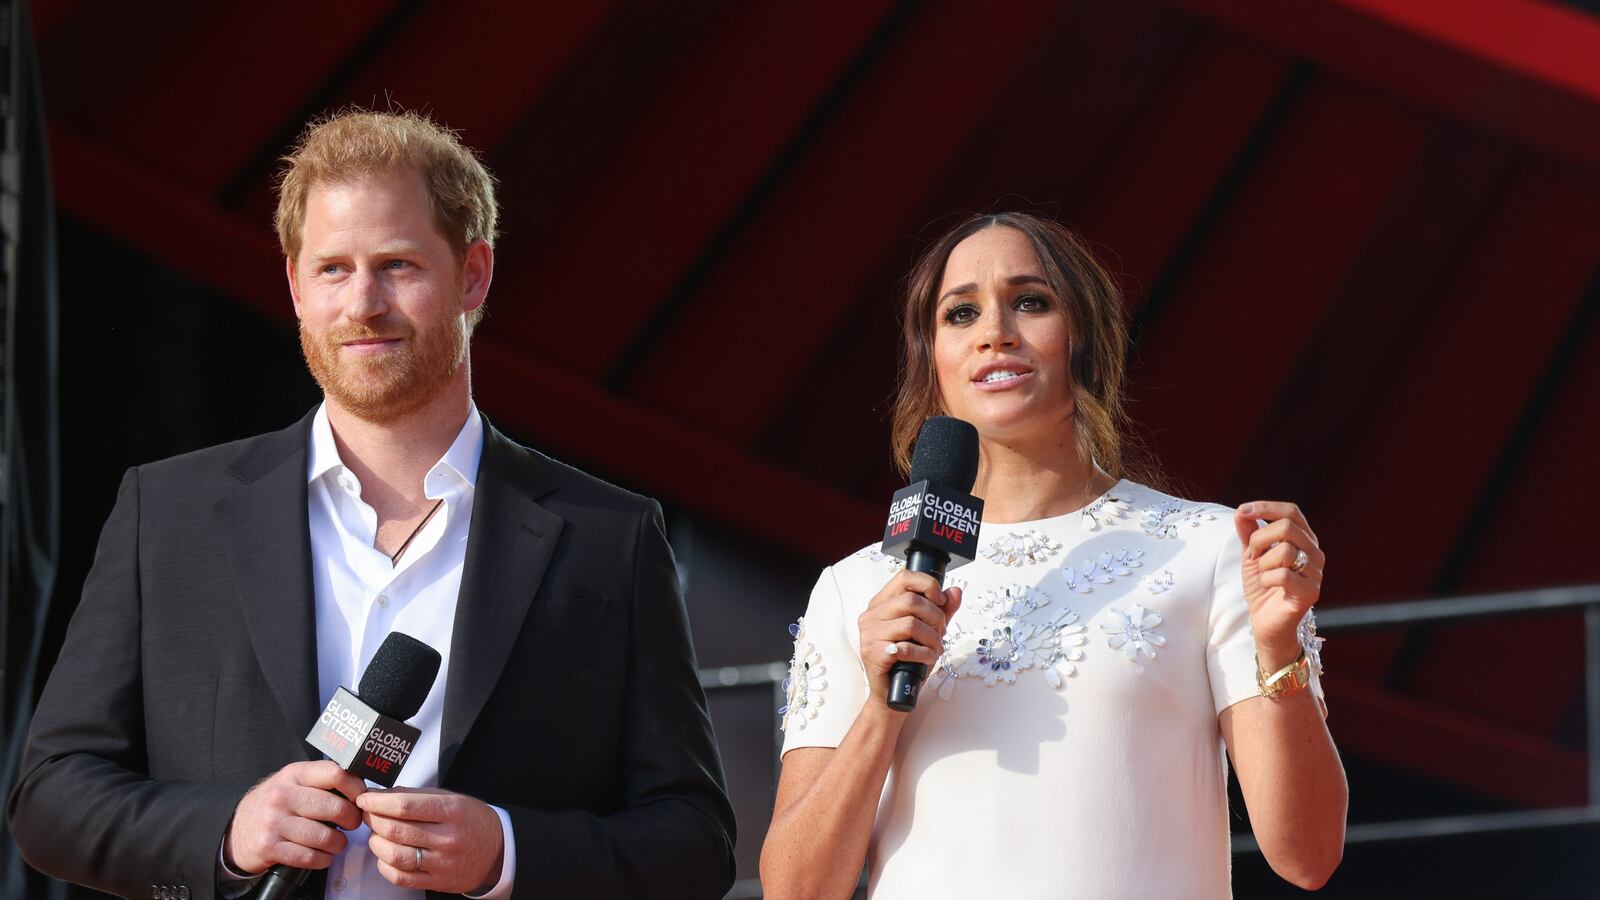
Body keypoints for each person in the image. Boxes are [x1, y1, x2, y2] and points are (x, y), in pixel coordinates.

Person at [8, 110, 736, 900]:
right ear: (293, 284)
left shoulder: (610, 536)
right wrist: (229, 829)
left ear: (474, 274)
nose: (363, 303)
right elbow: (49, 796)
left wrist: (509, 852)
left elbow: (693, 841)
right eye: (332, 269)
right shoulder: (169, 515)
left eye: (397, 265)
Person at [760, 212, 1346, 898]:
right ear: (933, 362)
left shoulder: (1212, 551)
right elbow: (795, 891)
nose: (994, 332)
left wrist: (1279, 651)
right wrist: (882, 708)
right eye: (961, 313)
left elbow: (1306, 857)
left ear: (1085, 342)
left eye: (1031, 302)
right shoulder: (856, 589)